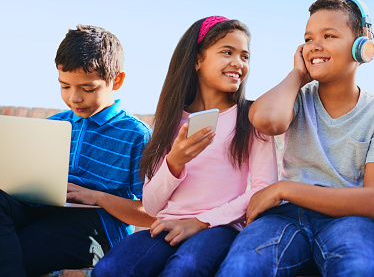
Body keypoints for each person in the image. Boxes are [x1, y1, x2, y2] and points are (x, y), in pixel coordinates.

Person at [217, 0, 374, 277]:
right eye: (308, 38)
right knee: (242, 267)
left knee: (360, 268)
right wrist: (296, 75)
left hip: (351, 220)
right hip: (284, 218)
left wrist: (284, 189)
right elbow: (266, 120)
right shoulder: (294, 97)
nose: (315, 45)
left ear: (361, 47)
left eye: (329, 36)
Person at [92, 16, 278, 277]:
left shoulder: (252, 117)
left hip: (219, 228)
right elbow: (153, 206)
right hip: (167, 224)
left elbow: (263, 189)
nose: (238, 63)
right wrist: (174, 162)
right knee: (110, 270)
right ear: (197, 60)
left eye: (244, 56)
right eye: (227, 52)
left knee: (183, 269)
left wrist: (200, 222)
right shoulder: (171, 120)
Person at [0, 24, 154, 277]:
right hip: (38, 211)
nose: (74, 98)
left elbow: (151, 214)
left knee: (19, 249)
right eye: (65, 86)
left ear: (117, 80)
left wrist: (97, 197)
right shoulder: (54, 125)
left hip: (92, 227)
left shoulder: (136, 134)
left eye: (88, 88)